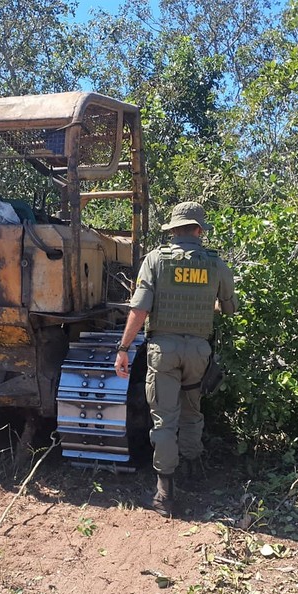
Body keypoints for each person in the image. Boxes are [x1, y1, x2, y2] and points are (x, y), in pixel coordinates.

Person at [114, 202, 238, 517]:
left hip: (163, 353)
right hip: (199, 352)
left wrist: (124, 348)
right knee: (192, 410)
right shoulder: (215, 263)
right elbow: (229, 309)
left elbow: (139, 309)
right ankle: (194, 467)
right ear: (199, 230)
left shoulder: (154, 260)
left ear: (173, 230)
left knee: (164, 420)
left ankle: (164, 493)